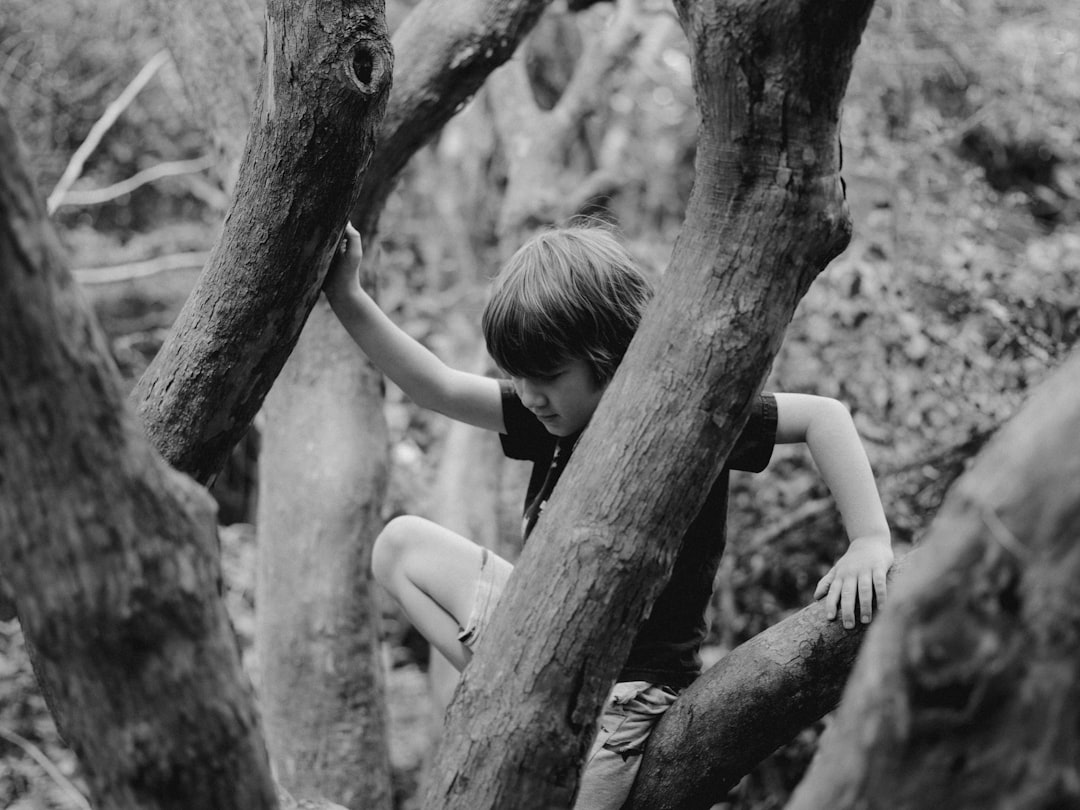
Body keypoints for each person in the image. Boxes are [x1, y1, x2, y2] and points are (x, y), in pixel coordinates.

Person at [323, 222, 893, 810]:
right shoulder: (541, 412)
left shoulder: (680, 414)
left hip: (625, 691)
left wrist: (869, 540)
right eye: (519, 375)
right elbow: (436, 387)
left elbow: (824, 416)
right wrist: (349, 295)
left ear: (608, 355)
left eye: (548, 377)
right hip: (535, 633)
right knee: (399, 546)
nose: (529, 394)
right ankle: (494, 687)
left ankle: (521, 698)